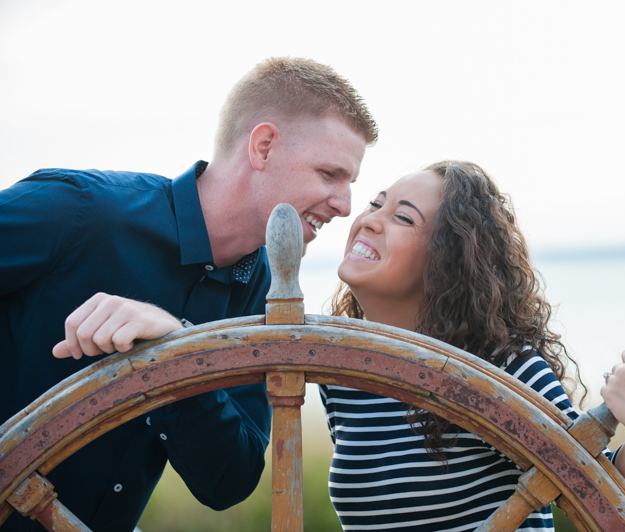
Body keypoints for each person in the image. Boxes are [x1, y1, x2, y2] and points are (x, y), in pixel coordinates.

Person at [0, 57, 377, 532]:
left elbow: (228, 484)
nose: (344, 205)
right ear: (263, 147)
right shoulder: (77, 211)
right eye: (329, 174)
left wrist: (177, 352)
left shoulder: (262, 291)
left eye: (349, 184)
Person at [320, 160, 625, 531]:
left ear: (447, 261)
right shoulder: (343, 375)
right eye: (376, 204)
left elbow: (604, 496)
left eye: (404, 218)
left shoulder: (502, 367)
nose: (371, 220)